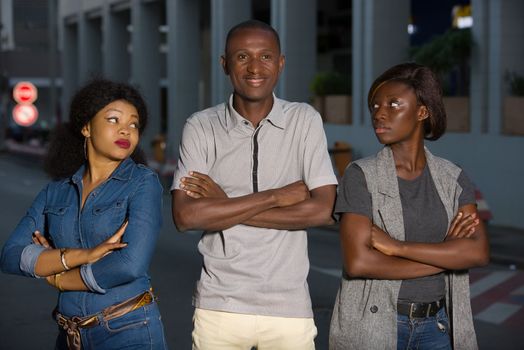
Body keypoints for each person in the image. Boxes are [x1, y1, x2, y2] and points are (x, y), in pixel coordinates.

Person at [171, 20, 337, 350]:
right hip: (220, 306)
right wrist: (277, 196)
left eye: (265, 56)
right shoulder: (201, 126)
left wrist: (223, 204)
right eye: (242, 57)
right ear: (225, 64)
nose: (254, 68)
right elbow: (186, 217)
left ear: (280, 63)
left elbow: (324, 210)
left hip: (289, 308)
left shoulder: (304, 120)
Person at [329, 62, 489, 350]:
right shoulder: (360, 175)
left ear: (422, 112)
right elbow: (359, 262)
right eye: (375, 105)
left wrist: (397, 247)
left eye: (393, 104)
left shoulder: (453, 178)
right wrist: (446, 254)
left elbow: (476, 252)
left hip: (439, 328)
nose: (379, 112)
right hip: (376, 325)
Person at [0, 79, 168, 349]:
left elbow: (129, 264)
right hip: (70, 335)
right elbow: (10, 255)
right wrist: (83, 256)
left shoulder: (142, 183)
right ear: (86, 127)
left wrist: (59, 275)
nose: (126, 129)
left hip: (127, 329)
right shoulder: (56, 190)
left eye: (134, 124)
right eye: (113, 120)